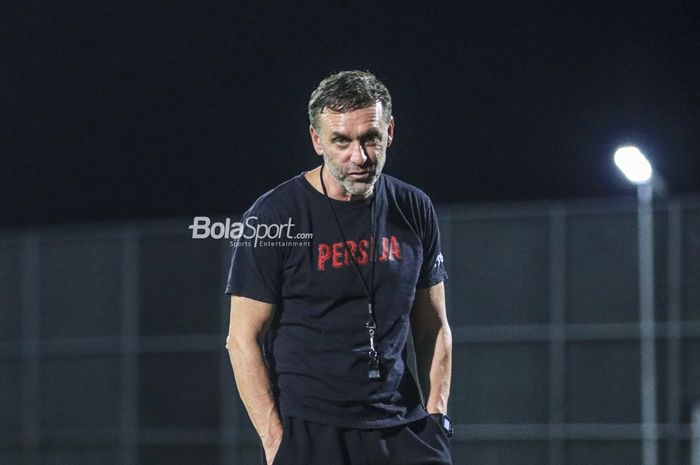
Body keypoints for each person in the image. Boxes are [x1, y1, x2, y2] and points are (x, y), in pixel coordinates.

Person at [225, 70, 453, 465]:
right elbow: (241, 339)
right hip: (312, 432)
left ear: (390, 132)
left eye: (370, 139)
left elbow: (433, 324)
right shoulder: (274, 216)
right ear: (317, 140)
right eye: (342, 141)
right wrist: (275, 441)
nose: (359, 156)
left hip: (404, 428)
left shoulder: (414, 207)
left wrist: (438, 416)